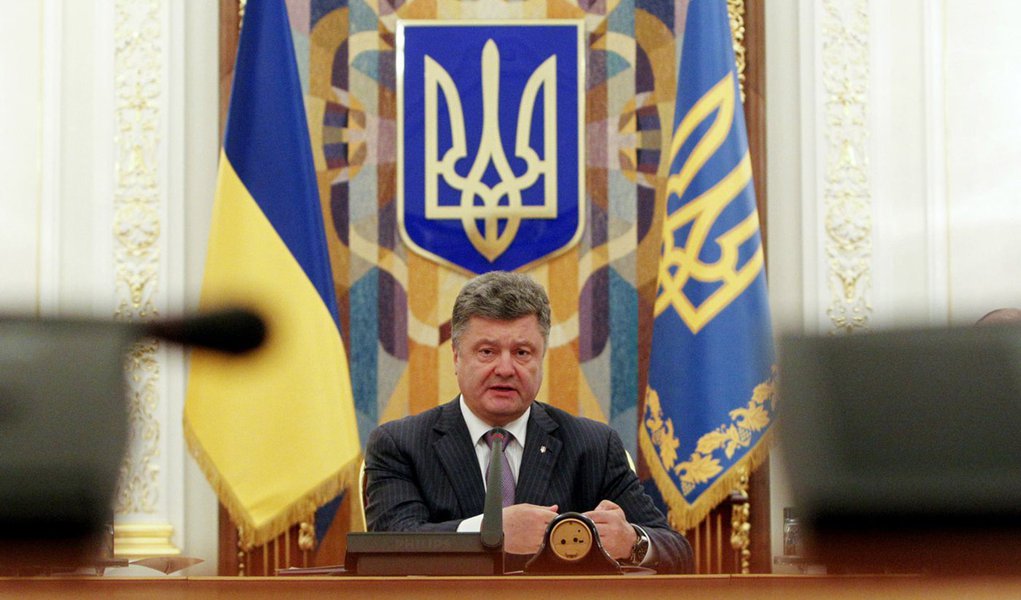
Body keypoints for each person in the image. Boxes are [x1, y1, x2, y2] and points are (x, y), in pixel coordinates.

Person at [363, 271, 694, 574]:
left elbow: (678, 552)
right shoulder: (400, 444)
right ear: (456, 357)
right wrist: (490, 532)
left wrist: (632, 542)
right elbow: (389, 547)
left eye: (522, 353)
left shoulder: (593, 445)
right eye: (487, 352)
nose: (505, 369)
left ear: (541, 358)